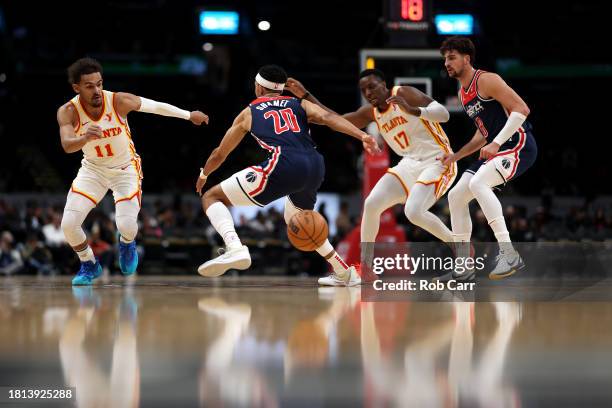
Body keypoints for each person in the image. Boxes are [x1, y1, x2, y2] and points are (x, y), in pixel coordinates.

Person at [195, 65, 378, 285]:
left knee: (212, 197)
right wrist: (361, 135)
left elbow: (220, 153)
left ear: (259, 88)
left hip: (284, 163)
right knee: (299, 219)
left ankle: (234, 247)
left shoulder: (249, 112)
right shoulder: (299, 103)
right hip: (315, 165)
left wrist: (204, 174)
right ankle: (344, 272)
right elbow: (329, 117)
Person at [285, 70, 456, 285]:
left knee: (413, 212)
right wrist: (306, 96)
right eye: (364, 90)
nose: (369, 92)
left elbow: (444, 114)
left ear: (384, 85)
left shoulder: (403, 93)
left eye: (373, 86)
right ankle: (366, 268)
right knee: (372, 204)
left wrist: (414, 110)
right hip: (409, 163)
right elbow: (334, 120)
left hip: (439, 160)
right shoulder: (371, 113)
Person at [57, 58, 209, 285]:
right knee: (68, 225)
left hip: (125, 168)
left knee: (126, 225)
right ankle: (89, 264)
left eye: (99, 83)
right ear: (76, 88)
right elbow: (67, 144)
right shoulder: (68, 111)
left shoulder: (118, 101)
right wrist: (85, 137)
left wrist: (188, 115)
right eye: (89, 86)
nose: (97, 90)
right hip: (93, 170)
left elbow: (155, 106)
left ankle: (127, 243)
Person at [435, 37, 537, 281]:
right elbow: (482, 133)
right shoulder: (463, 94)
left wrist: (496, 142)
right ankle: (463, 267)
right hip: (496, 147)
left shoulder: (487, 79)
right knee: (455, 196)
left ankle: (509, 254)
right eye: (445, 59)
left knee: (477, 183)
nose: (447, 63)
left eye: (451, 58)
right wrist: (456, 156)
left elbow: (521, 110)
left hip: (518, 143)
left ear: (466, 58)